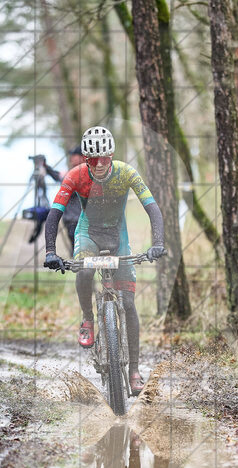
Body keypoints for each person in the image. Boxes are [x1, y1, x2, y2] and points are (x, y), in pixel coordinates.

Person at [43, 126, 166, 396]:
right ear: (85, 159)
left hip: (117, 237)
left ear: (112, 155)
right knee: (84, 270)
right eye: (92, 159)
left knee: (129, 304)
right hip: (88, 234)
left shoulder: (126, 173)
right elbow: (54, 214)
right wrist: (50, 251)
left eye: (104, 158)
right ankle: (88, 319)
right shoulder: (75, 176)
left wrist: (157, 244)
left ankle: (134, 371)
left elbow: (152, 208)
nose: (99, 165)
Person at [42, 145, 85, 253]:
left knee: (80, 252)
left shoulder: (84, 174)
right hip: (70, 220)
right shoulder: (71, 174)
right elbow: (58, 176)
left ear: (82, 157)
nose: (71, 158)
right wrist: (46, 167)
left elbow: (64, 181)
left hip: (79, 220)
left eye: (74, 155)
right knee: (75, 252)